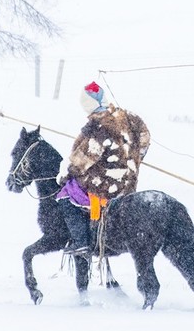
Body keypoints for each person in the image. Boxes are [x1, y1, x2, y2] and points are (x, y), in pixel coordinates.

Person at [56, 82, 151, 257]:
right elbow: (145, 138)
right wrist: (135, 159)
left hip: (104, 187)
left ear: (88, 105)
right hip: (129, 185)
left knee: (66, 194)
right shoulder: (130, 117)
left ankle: (81, 243)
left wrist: (67, 173)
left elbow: (83, 160)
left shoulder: (98, 127)